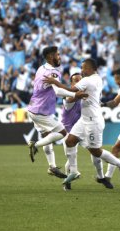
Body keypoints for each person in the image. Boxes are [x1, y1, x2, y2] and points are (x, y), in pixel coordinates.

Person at [44, 58, 120, 188]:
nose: (82, 70)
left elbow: (71, 90)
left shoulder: (88, 80)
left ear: (89, 69)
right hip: (84, 120)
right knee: (70, 141)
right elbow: (72, 95)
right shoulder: (97, 78)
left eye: (83, 68)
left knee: (95, 152)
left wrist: (54, 83)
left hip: (93, 121)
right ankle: (73, 171)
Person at [27, 46, 88, 179]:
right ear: (50, 56)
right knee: (62, 133)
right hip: (41, 111)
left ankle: (52, 167)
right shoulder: (54, 72)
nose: (60, 57)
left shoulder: (41, 68)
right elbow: (59, 92)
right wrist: (75, 93)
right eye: (58, 55)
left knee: (47, 136)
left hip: (32, 108)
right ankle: (34, 145)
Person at [61, 72, 113, 190]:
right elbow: (69, 100)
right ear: (72, 83)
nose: (79, 82)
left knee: (95, 152)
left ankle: (101, 177)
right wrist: (77, 95)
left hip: (85, 127)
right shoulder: (68, 96)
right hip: (70, 130)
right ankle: (68, 180)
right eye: (76, 80)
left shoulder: (87, 93)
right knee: (71, 158)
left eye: (80, 80)